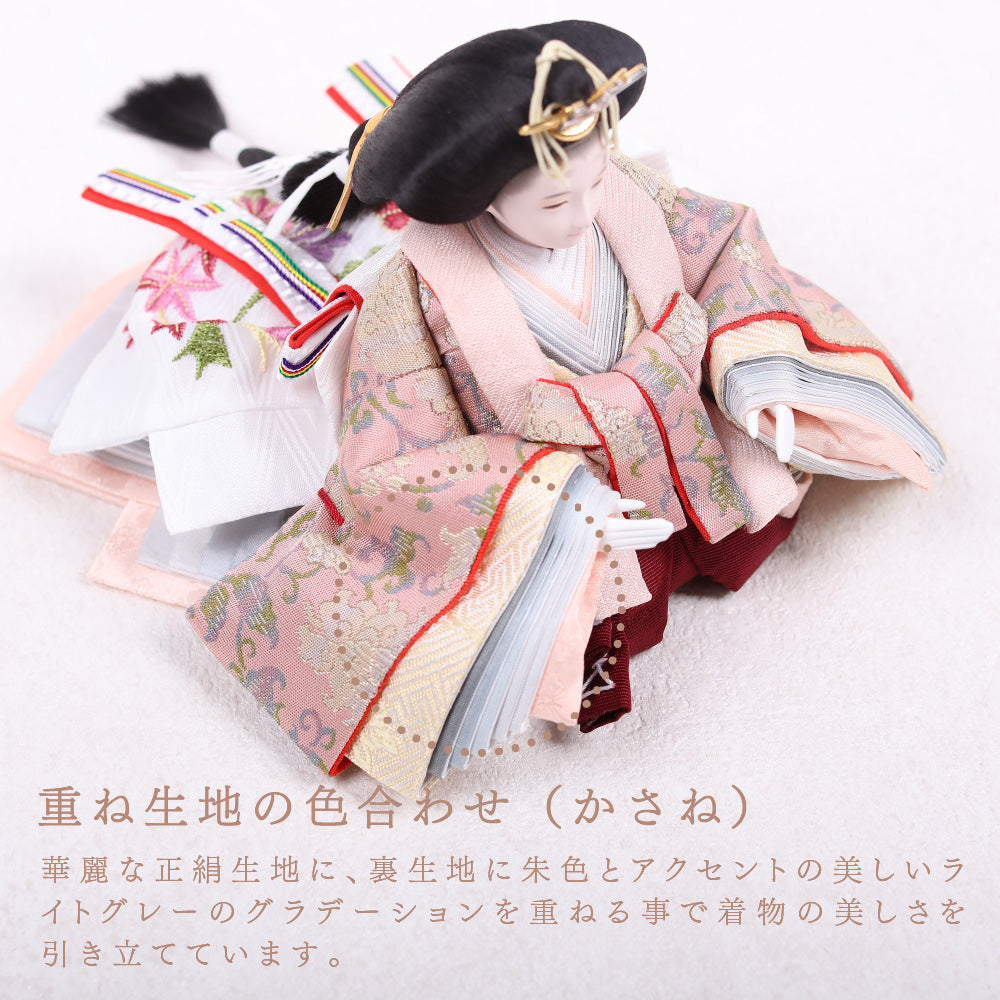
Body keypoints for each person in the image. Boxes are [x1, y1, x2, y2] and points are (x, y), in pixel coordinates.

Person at [189, 21, 943, 797]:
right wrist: (564, 508)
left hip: (692, 446)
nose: (585, 211)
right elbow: (400, 450)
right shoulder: (411, 297)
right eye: (555, 199)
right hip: (582, 502)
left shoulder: (625, 193)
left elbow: (723, 246)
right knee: (598, 622)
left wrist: (753, 370)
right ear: (481, 198)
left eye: (594, 180)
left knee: (753, 522)